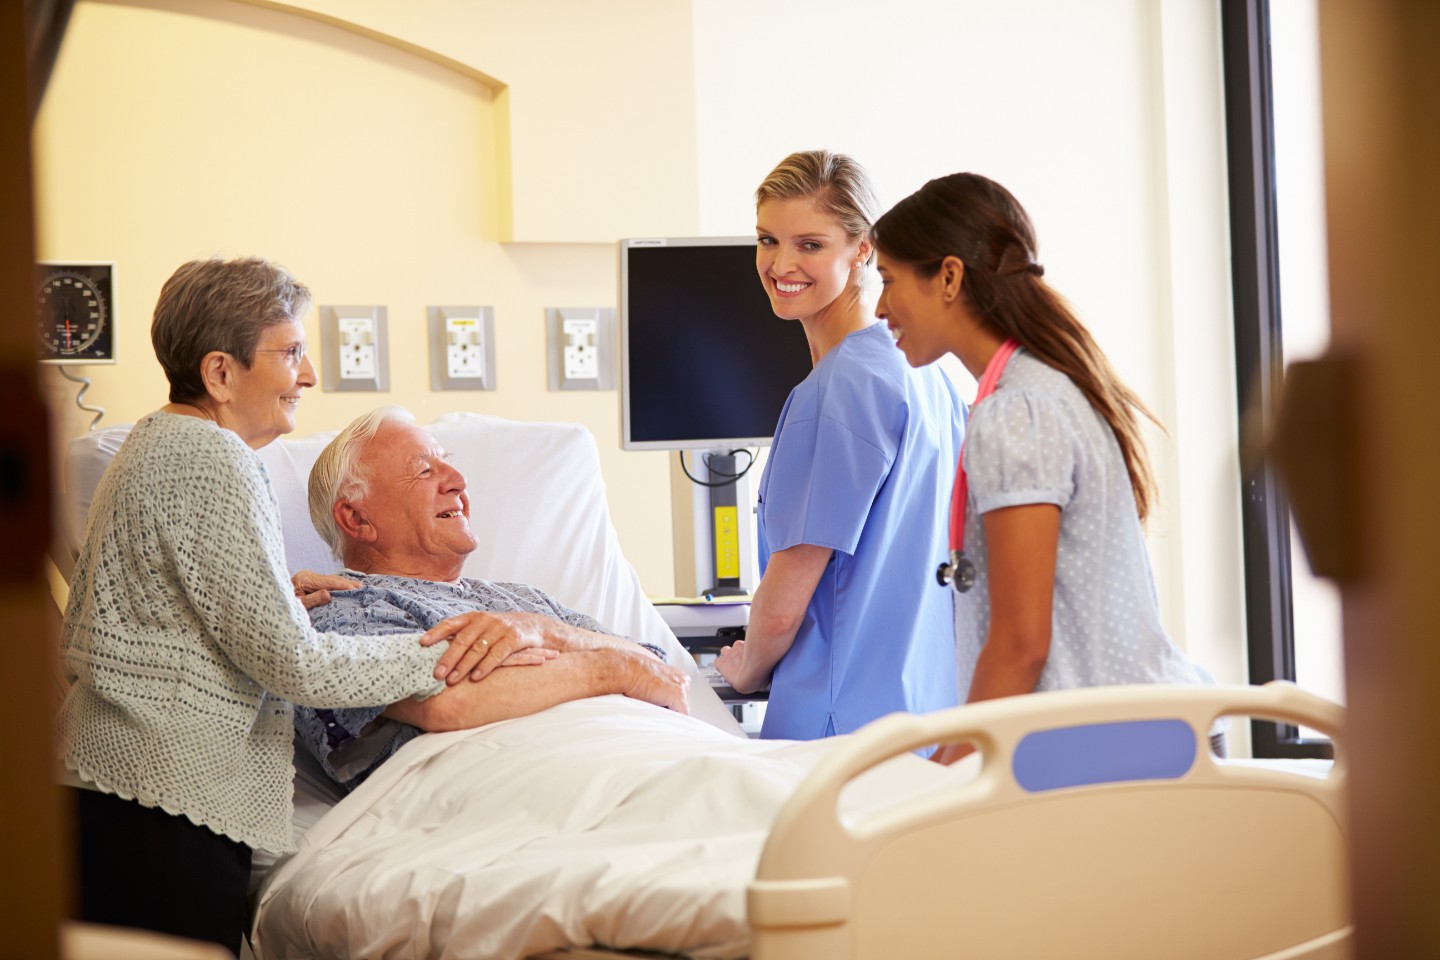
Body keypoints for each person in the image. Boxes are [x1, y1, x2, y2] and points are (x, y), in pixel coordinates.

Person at [55, 258, 497, 956]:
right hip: (159, 809)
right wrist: (454, 649)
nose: (309, 375)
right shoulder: (213, 460)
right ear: (221, 373)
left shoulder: (155, 443)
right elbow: (299, 666)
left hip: (121, 794)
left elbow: (161, 604)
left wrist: (270, 593)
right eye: (290, 353)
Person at [870, 172, 1216, 764]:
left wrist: (941, 775)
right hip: (1143, 732)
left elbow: (1020, 643)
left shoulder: (1017, 413)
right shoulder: (1045, 386)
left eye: (888, 280)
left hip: (1113, 747)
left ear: (948, 277)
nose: (880, 309)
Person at [293, 407, 692, 791]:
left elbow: (659, 675)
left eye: (447, 464)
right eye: (425, 471)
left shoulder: (526, 604)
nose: (457, 481)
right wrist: (609, 670)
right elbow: (448, 703)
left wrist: (551, 635)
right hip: (524, 790)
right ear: (357, 519)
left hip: (647, 758)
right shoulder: (333, 611)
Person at [713, 150, 965, 747]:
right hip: (930, 715)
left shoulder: (834, 392)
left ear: (863, 249)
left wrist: (746, 669)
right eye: (767, 240)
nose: (780, 264)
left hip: (842, 727)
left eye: (809, 245)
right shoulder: (927, 373)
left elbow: (784, 599)